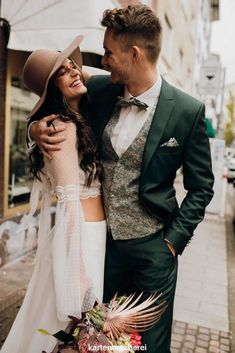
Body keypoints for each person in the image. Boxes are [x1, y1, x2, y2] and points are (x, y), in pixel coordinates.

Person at [28, 4, 214, 353]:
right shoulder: (99, 90)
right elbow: (52, 96)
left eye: (109, 53)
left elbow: (202, 187)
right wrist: (35, 130)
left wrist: (172, 242)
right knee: (100, 342)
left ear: (134, 54)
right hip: (103, 250)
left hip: (154, 251)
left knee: (148, 346)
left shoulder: (188, 112)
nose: (104, 60)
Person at [1, 36, 106, 353]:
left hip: (91, 234)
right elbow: (70, 204)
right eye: (63, 71)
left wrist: (32, 128)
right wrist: (80, 273)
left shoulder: (72, 120)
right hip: (81, 237)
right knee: (66, 326)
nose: (75, 71)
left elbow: (97, 78)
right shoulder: (61, 127)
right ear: (50, 89)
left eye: (74, 65)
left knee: (58, 322)